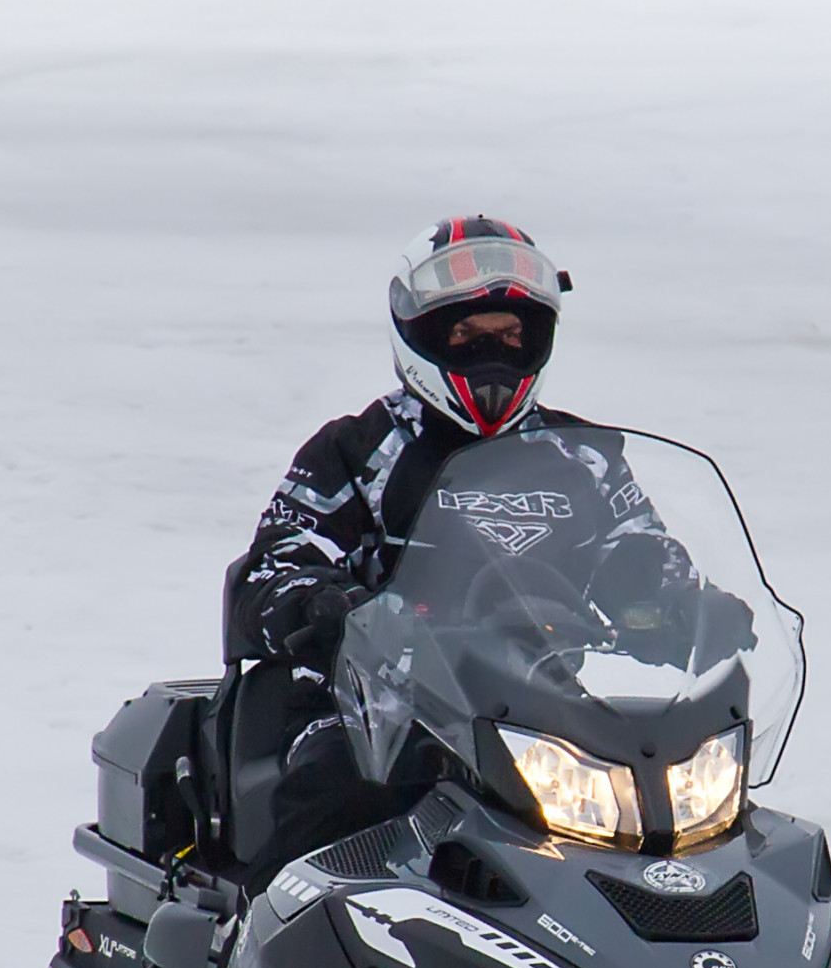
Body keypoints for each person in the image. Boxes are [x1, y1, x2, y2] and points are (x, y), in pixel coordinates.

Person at [214, 217, 575, 866]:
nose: (490, 353)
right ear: (424, 337)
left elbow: (649, 555)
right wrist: (328, 605)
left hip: (557, 716)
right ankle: (286, 957)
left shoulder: (581, 459)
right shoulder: (356, 451)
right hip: (380, 712)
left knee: (689, 808)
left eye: (510, 335)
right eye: (467, 334)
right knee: (340, 794)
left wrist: (699, 606)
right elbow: (271, 568)